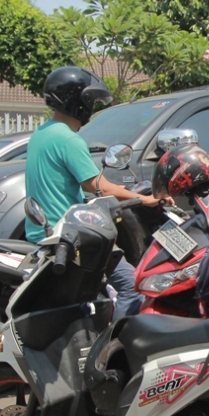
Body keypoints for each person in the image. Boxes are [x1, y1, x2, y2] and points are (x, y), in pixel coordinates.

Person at [26, 66, 170, 321]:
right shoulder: (68, 140)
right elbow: (96, 185)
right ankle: (113, 348)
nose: (90, 106)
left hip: (45, 231)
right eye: (89, 100)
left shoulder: (42, 133)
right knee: (131, 287)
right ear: (77, 101)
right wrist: (146, 199)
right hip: (72, 237)